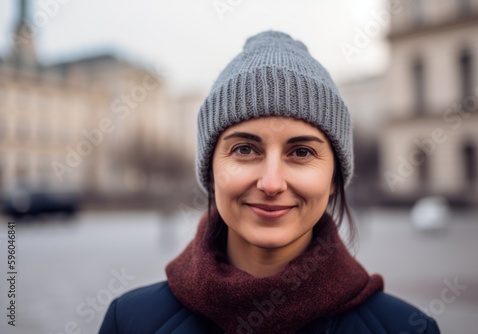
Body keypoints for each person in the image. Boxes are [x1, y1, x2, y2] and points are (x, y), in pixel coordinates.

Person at [99, 30, 440, 334]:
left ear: (334, 178)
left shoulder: (407, 329)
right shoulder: (129, 321)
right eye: (245, 149)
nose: (272, 182)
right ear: (211, 171)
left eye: (302, 152)